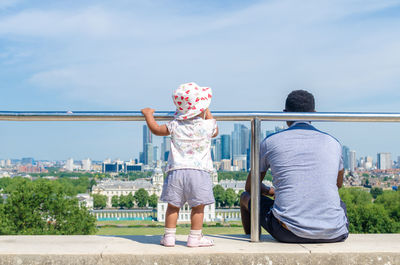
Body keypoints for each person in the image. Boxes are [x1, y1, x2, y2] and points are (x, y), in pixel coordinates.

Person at [240, 90, 349, 243]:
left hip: (288, 232)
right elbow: (338, 184)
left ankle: (251, 239)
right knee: (338, 204)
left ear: (284, 114)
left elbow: (250, 186)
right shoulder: (333, 143)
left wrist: (271, 191)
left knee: (246, 197)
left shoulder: (271, 142)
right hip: (335, 233)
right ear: (314, 113)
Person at [141, 82, 218, 247]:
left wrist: (148, 115)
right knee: (198, 208)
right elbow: (215, 131)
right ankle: (195, 238)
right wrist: (207, 112)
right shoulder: (207, 125)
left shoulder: (175, 125)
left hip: (176, 171)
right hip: (199, 172)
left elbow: (156, 130)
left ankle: (169, 237)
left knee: (173, 206)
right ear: (202, 108)